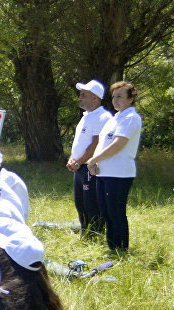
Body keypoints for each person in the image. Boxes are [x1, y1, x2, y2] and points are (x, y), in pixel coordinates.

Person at [86, 81, 142, 252]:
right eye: (114, 97)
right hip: (104, 172)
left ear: (131, 99)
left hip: (119, 174)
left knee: (115, 211)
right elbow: (103, 144)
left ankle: (121, 248)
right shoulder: (115, 118)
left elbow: (119, 144)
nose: (115, 100)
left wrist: (93, 159)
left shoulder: (131, 118)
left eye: (120, 96)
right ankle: (112, 247)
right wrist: (95, 163)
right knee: (106, 211)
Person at [66, 80, 113, 237]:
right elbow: (78, 144)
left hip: (91, 168)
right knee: (80, 203)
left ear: (95, 98)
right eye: (80, 95)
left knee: (91, 204)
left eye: (83, 95)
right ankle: (85, 234)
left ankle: (95, 235)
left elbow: (95, 145)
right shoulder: (86, 117)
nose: (79, 98)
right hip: (80, 167)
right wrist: (72, 159)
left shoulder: (103, 117)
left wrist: (79, 162)